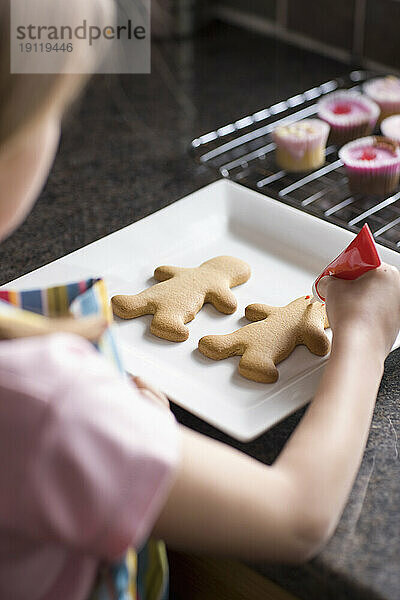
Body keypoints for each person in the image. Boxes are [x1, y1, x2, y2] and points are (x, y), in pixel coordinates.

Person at [0, 1, 399, 599]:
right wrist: (367, 338)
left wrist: (124, 435)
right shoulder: (44, 405)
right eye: (57, 112)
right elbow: (294, 518)